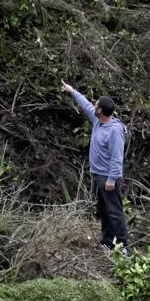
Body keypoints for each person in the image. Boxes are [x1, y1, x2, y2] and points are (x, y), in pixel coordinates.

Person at [61, 81, 128, 253]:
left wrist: (112, 179)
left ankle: (122, 247)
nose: (93, 105)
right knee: (104, 212)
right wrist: (72, 91)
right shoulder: (98, 121)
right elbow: (85, 105)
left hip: (109, 178)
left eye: (96, 104)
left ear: (100, 110)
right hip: (98, 175)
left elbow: (117, 158)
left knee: (115, 213)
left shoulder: (115, 131)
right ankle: (107, 243)